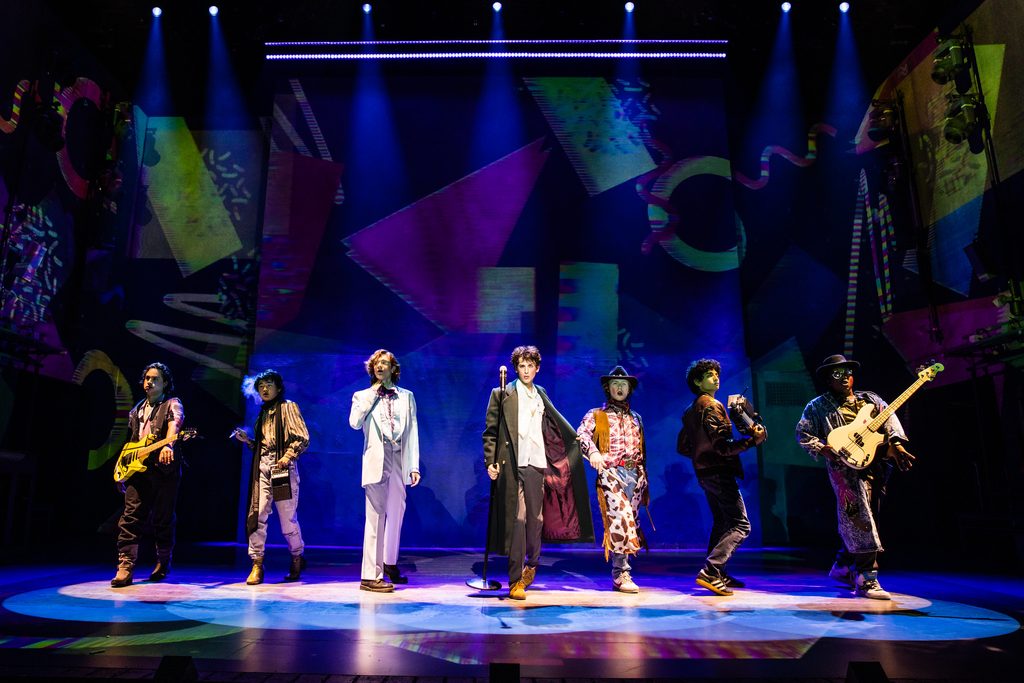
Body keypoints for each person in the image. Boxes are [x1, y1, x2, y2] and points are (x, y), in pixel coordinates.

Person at [795, 354, 915, 600]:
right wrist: (823, 448)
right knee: (859, 518)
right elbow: (803, 433)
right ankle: (866, 578)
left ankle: (843, 564)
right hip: (845, 470)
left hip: (876, 465)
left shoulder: (870, 399)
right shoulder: (817, 406)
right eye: (837, 374)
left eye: (848, 373)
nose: (844, 378)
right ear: (828, 379)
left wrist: (897, 444)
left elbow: (890, 417)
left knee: (868, 516)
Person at [482, 345, 593, 600]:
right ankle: (515, 580)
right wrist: (490, 461)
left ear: (537, 368)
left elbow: (555, 425)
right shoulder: (502, 393)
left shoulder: (541, 394)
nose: (526, 371)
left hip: (536, 462)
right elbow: (490, 432)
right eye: (521, 366)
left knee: (536, 519)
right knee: (518, 519)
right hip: (512, 463)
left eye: (530, 366)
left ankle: (532, 563)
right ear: (516, 368)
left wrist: (575, 443)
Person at [677, 358, 765, 596]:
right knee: (741, 525)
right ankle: (711, 570)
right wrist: (752, 441)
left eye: (716, 373)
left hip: (704, 473)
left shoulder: (690, 410)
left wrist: (702, 456)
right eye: (709, 375)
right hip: (719, 472)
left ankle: (719, 571)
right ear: (697, 381)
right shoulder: (712, 406)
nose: (716, 377)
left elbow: (683, 447)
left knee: (723, 522)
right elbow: (723, 448)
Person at [349, 349, 421, 593]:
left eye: (384, 363)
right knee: (375, 516)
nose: (379, 366)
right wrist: (373, 393)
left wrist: (413, 466)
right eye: (376, 364)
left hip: (399, 458)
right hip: (377, 461)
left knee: (396, 513)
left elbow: (412, 432)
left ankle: (389, 563)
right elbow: (354, 423)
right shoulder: (362, 396)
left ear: (393, 368)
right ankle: (370, 575)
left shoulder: (407, 396)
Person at [111, 362, 185, 588]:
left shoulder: (172, 403)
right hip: (137, 470)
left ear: (165, 383)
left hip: (164, 469)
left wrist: (168, 445)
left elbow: (175, 424)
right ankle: (125, 566)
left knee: (163, 517)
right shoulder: (136, 410)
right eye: (147, 378)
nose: (149, 382)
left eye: (155, 379)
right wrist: (122, 471)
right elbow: (131, 443)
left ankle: (163, 561)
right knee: (130, 516)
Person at [233, 369, 310, 585]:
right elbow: (263, 447)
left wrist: (287, 456)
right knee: (257, 515)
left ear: (278, 387)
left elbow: (302, 437)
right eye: (261, 386)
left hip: (283, 470)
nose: (264, 389)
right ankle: (257, 563)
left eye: (269, 384)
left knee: (287, 520)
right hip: (263, 468)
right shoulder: (263, 414)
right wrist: (248, 441)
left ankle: (297, 556)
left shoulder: (288, 407)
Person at [577, 366, 649, 593]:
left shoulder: (636, 417)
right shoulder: (596, 415)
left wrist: (643, 476)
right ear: (608, 388)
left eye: (623, 384)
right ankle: (621, 573)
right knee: (621, 518)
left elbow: (641, 448)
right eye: (615, 384)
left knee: (631, 521)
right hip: (611, 473)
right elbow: (581, 435)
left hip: (634, 475)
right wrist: (593, 452)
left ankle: (621, 569)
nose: (619, 388)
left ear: (629, 389)